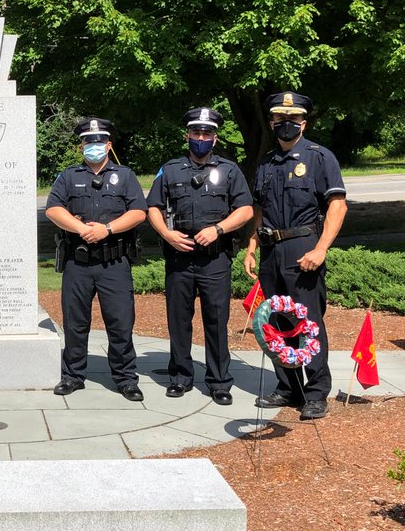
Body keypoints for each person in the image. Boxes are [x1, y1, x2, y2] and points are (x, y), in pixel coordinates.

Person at [244, 92, 348, 420]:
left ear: (303, 122)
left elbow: (337, 205)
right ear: (272, 123)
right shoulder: (266, 163)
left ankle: (316, 392)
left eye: (293, 120)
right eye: (279, 119)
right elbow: (260, 209)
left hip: (303, 249)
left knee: (308, 322)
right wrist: (251, 246)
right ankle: (289, 387)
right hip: (271, 252)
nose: (286, 125)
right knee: (277, 322)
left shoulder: (320, 158)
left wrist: (321, 249)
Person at [147, 107, 254, 405]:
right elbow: (153, 207)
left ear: (215, 138)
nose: (201, 138)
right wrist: (166, 235)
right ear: (187, 136)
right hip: (179, 257)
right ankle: (180, 377)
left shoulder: (230, 171)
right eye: (196, 133)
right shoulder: (170, 169)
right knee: (178, 319)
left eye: (207, 133)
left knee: (216, 320)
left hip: (215, 259)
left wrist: (219, 229)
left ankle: (219, 381)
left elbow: (245, 210)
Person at [45, 117, 148, 399]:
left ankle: (126, 378)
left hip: (114, 262)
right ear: (82, 146)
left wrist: (107, 229)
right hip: (78, 262)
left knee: (120, 321)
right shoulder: (69, 176)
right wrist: (81, 229)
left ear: (108, 144)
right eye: (89, 142)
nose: (94, 146)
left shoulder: (125, 176)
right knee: (75, 322)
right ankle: (73, 375)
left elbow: (139, 212)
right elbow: (53, 209)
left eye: (99, 141)